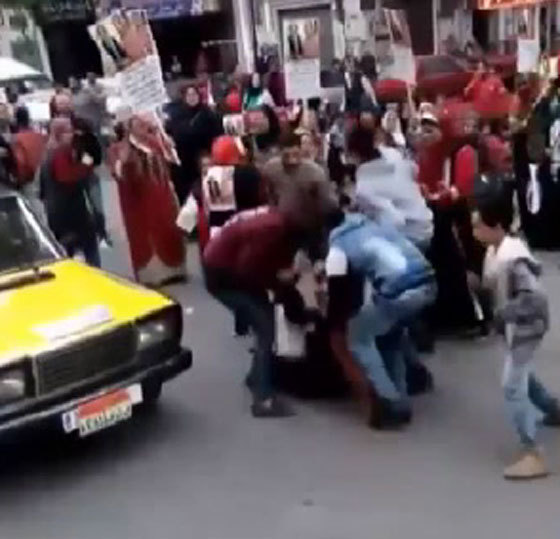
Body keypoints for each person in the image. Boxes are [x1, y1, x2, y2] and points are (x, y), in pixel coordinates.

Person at [472, 177, 560, 480]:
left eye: (478, 226)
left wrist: (502, 314)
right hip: (519, 328)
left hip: (527, 328)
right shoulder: (497, 251)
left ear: (496, 225)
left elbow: (534, 299)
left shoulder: (513, 258)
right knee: (523, 373)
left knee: (512, 384)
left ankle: (532, 453)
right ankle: (553, 410)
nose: (475, 231)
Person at [325, 208, 437, 429]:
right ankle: (402, 401)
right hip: (427, 281)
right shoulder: (372, 225)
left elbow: (337, 294)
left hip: (399, 292)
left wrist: (333, 318)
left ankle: (390, 403)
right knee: (391, 337)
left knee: (358, 335)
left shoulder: (338, 246)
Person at [108, 114, 186, 285]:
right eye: (139, 125)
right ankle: (153, 276)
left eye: (145, 124)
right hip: (138, 201)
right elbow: (120, 173)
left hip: (162, 194)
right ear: (129, 128)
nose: (143, 128)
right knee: (146, 235)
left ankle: (175, 270)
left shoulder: (155, 142)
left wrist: (163, 137)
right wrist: (126, 158)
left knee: (167, 229)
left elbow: (173, 160)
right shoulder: (118, 148)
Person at [40, 117, 104, 267]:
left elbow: (90, 161)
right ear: (59, 134)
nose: (73, 134)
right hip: (67, 214)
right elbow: (67, 177)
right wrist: (85, 167)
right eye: (68, 131)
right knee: (82, 253)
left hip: (67, 212)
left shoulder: (67, 151)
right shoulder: (57, 154)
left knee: (81, 251)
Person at [165, 84, 222, 204]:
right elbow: (170, 132)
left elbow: (217, 133)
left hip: (202, 158)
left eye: (194, 94)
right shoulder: (177, 115)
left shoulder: (207, 114)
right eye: (189, 95)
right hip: (184, 161)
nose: (192, 97)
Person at [11, 106, 47, 216]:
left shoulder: (17, 139)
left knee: (34, 211)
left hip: (30, 180)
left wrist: (19, 181)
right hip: (44, 176)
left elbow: (21, 162)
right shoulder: (40, 136)